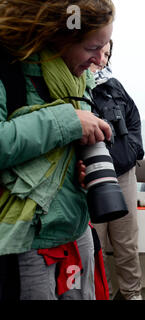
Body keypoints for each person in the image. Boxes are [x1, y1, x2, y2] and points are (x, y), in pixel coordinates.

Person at [0, 0, 115, 300]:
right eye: (93, 47)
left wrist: (78, 170)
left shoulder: (79, 81)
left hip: (75, 228)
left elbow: (52, 156)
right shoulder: (8, 67)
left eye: (105, 47)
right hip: (25, 241)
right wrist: (68, 120)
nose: (100, 60)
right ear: (62, 36)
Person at [89, 40, 145, 300]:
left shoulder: (114, 86)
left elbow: (133, 119)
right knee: (93, 245)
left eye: (107, 54)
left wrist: (132, 151)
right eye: (97, 51)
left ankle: (132, 294)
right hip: (88, 181)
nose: (102, 58)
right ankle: (103, 294)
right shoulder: (71, 86)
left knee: (127, 244)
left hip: (123, 175)